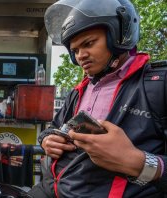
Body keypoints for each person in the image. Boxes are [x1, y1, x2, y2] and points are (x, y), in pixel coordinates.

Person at [28, 0, 167, 197]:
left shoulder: (158, 85)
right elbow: (55, 126)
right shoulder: (80, 90)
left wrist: (137, 162)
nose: (80, 56)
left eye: (89, 43)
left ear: (118, 36)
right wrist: (46, 140)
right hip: (51, 189)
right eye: (75, 50)